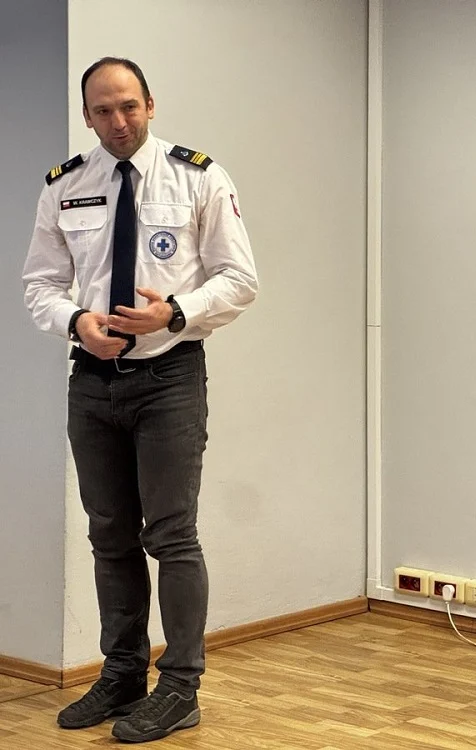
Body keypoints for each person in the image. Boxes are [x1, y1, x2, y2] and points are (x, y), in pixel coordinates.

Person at [21, 57, 258, 743]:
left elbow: (240, 278)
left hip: (169, 378)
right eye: (103, 110)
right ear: (87, 116)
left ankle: (179, 687)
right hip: (92, 382)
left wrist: (174, 311)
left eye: (128, 106)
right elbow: (41, 284)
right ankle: (122, 673)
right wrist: (76, 322)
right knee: (109, 535)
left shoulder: (198, 177)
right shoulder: (65, 186)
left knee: (172, 536)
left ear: (150, 104)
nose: (118, 121)